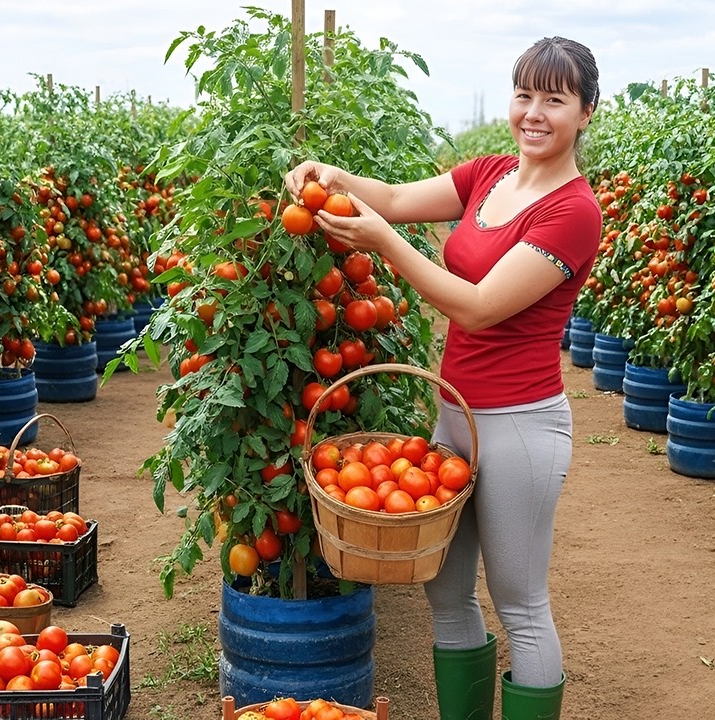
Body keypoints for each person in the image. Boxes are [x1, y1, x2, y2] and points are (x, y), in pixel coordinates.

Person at [284, 36, 601, 720]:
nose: (534, 113)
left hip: (520, 426)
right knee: (446, 591)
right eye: (524, 95)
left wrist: (384, 246)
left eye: (555, 98)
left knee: (519, 602)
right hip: (455, 416)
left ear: (585, 113)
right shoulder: (489, 175)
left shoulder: (573, 213)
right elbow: (394, 197)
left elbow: (480, 308)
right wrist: (331, 177)